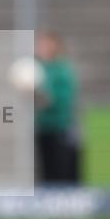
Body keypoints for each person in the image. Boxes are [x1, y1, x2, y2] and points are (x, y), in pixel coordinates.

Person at [34, 31, 81, 185]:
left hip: (61, 129)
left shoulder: (61, 69)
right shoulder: (37, 68)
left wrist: (42, 97)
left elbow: (61, 100)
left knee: (64, 174)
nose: (39, 47)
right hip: (43, 128)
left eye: (44, 44)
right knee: (47, 174)